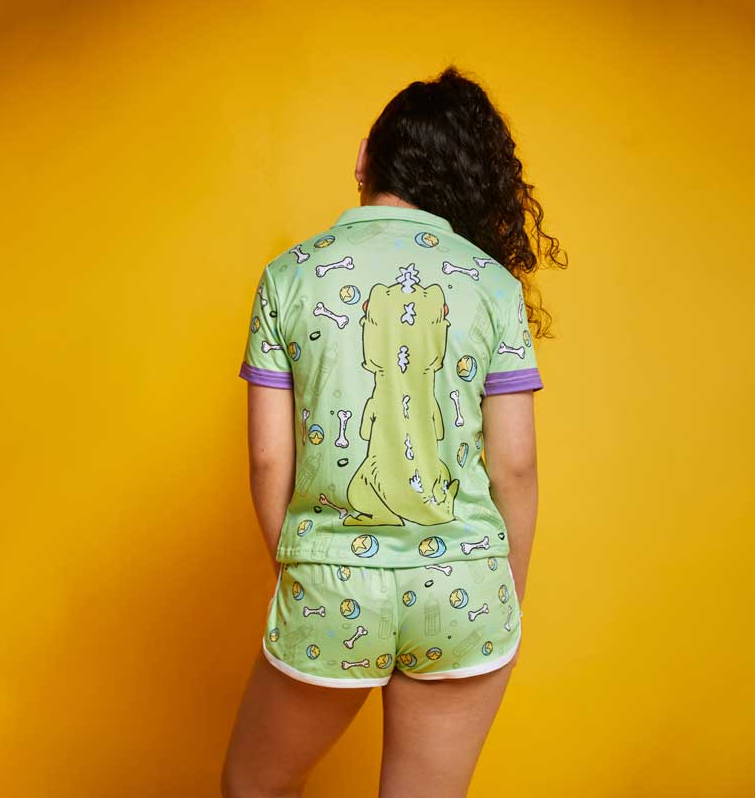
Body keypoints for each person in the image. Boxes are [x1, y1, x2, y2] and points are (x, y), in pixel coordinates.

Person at [221, 64, 566, 798]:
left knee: (255, 786)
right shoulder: (493, 285)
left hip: (332, 579)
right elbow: (515, 465)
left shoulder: (289, 276)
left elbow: (267, 459)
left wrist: (304, 567)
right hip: (467, 585)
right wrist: (505, 594)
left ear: (363, 160)